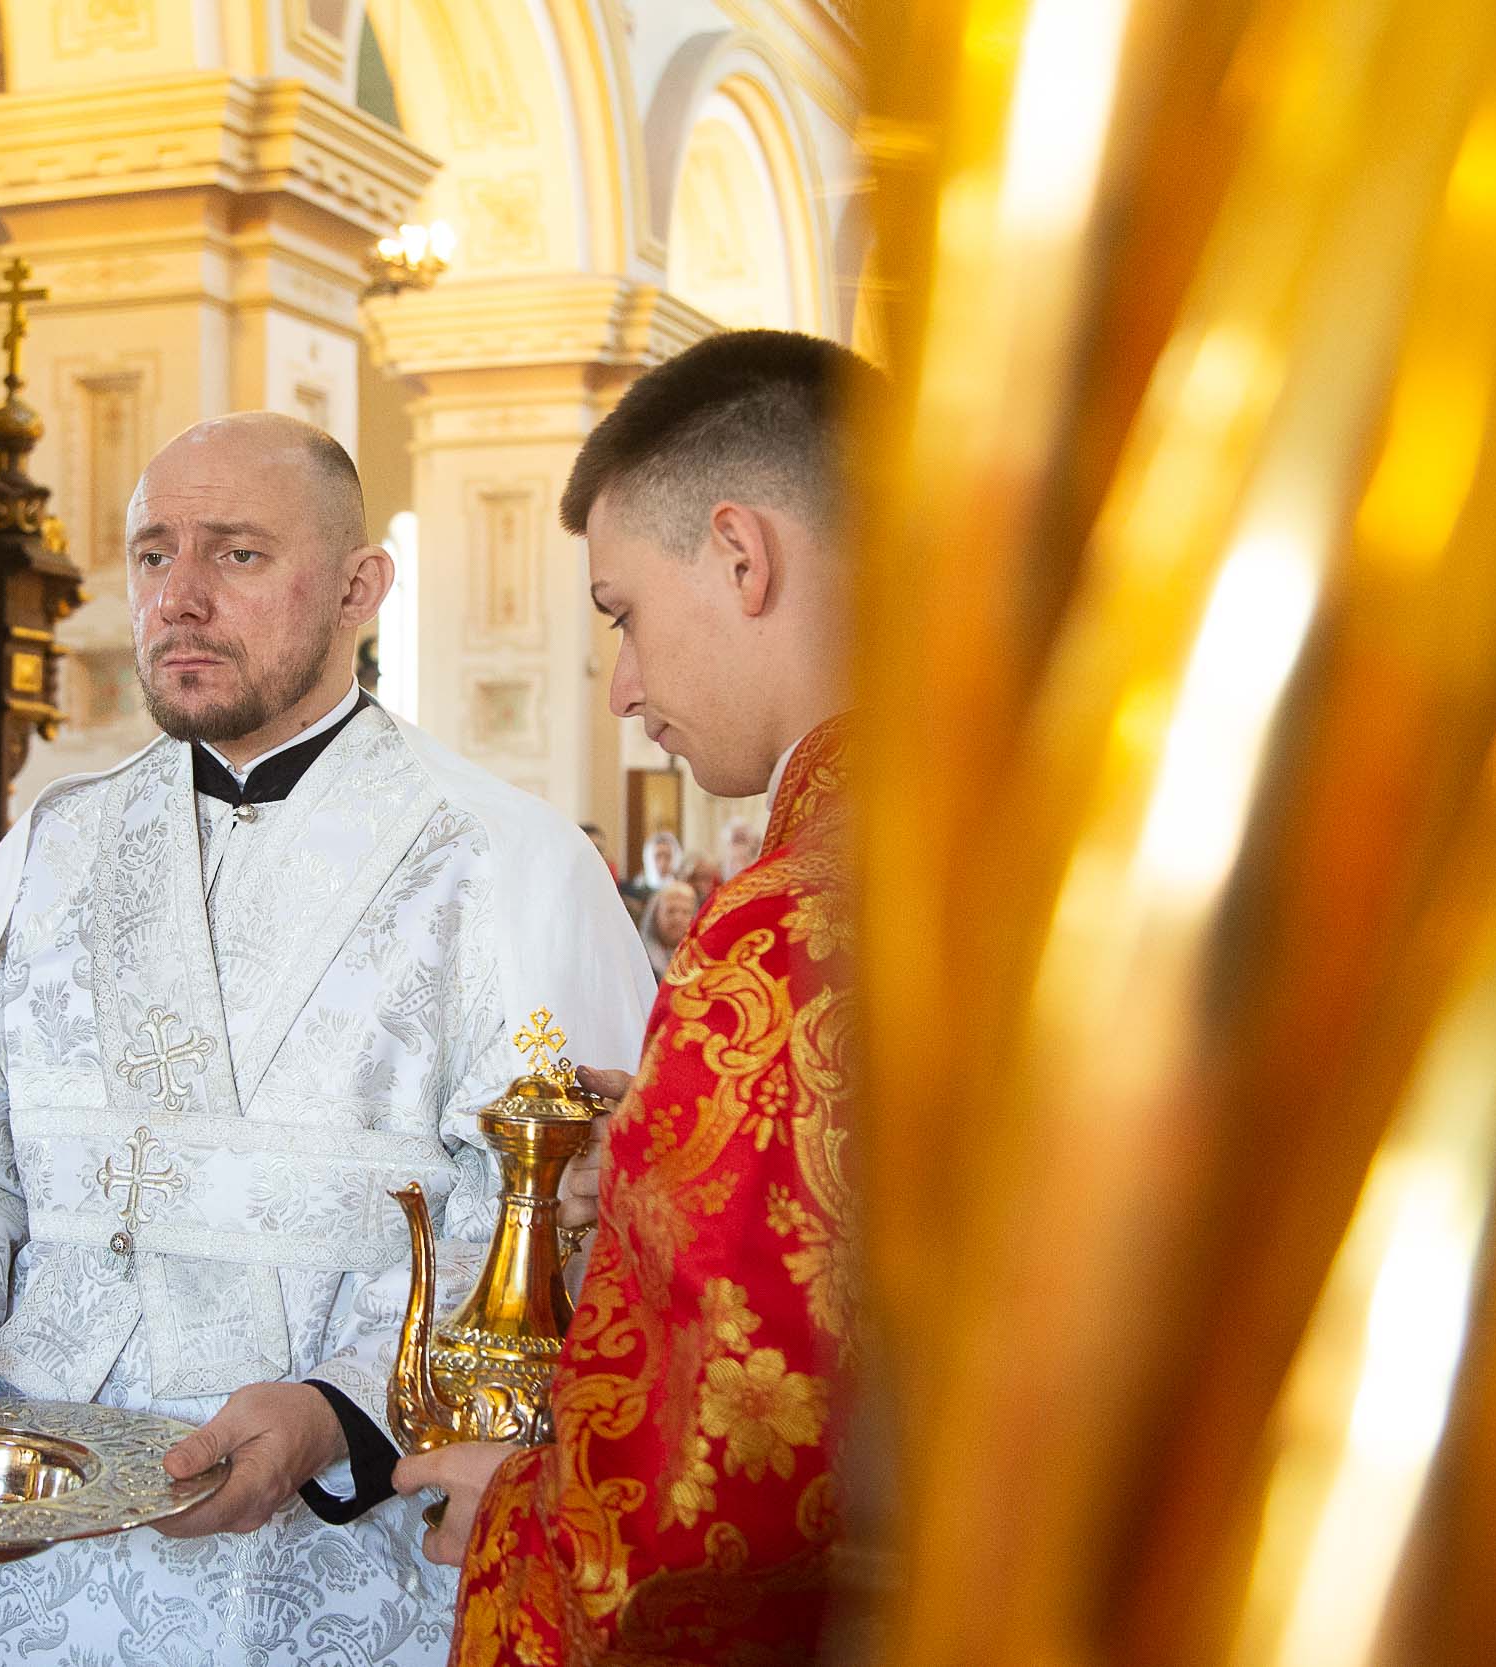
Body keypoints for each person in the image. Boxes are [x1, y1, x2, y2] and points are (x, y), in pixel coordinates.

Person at [0, 412, 653, 1667]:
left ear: (361, 587)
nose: (181, 597)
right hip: (49, 1550)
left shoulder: (499, 862)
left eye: (238, 554)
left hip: (346, 1556)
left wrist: (334, 1412)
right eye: (155, 554)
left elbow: (541, 1218)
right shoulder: (59, 846)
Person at [395, 329, 876, 1663]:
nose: (622, 687)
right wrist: (667, 1158)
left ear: (740, 554)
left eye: (622, 613)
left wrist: (511, 1509)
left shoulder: (786, 926)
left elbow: (709, 1515)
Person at [618, 827, 684, 920]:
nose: (663, 862)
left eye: (667, 856)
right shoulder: (635, 889)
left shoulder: (682, 890)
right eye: (658, 856)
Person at [639, 878, 699, 979]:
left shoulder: (702, 962)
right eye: (671, 911)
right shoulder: (640, 959)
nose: (677, 919)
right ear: (655, 915)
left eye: (685, 912)